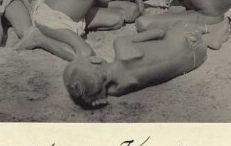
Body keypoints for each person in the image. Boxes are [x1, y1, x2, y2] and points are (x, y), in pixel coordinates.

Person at [63, 22, 208, 109]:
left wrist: (96, 95)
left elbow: (102, 91)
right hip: (189, 41)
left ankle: (211, 39)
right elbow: (159, 32)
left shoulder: (120, 88)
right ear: (95, 60)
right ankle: (210, 32)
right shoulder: (121, 45)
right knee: (170, 25)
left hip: (195, 61)